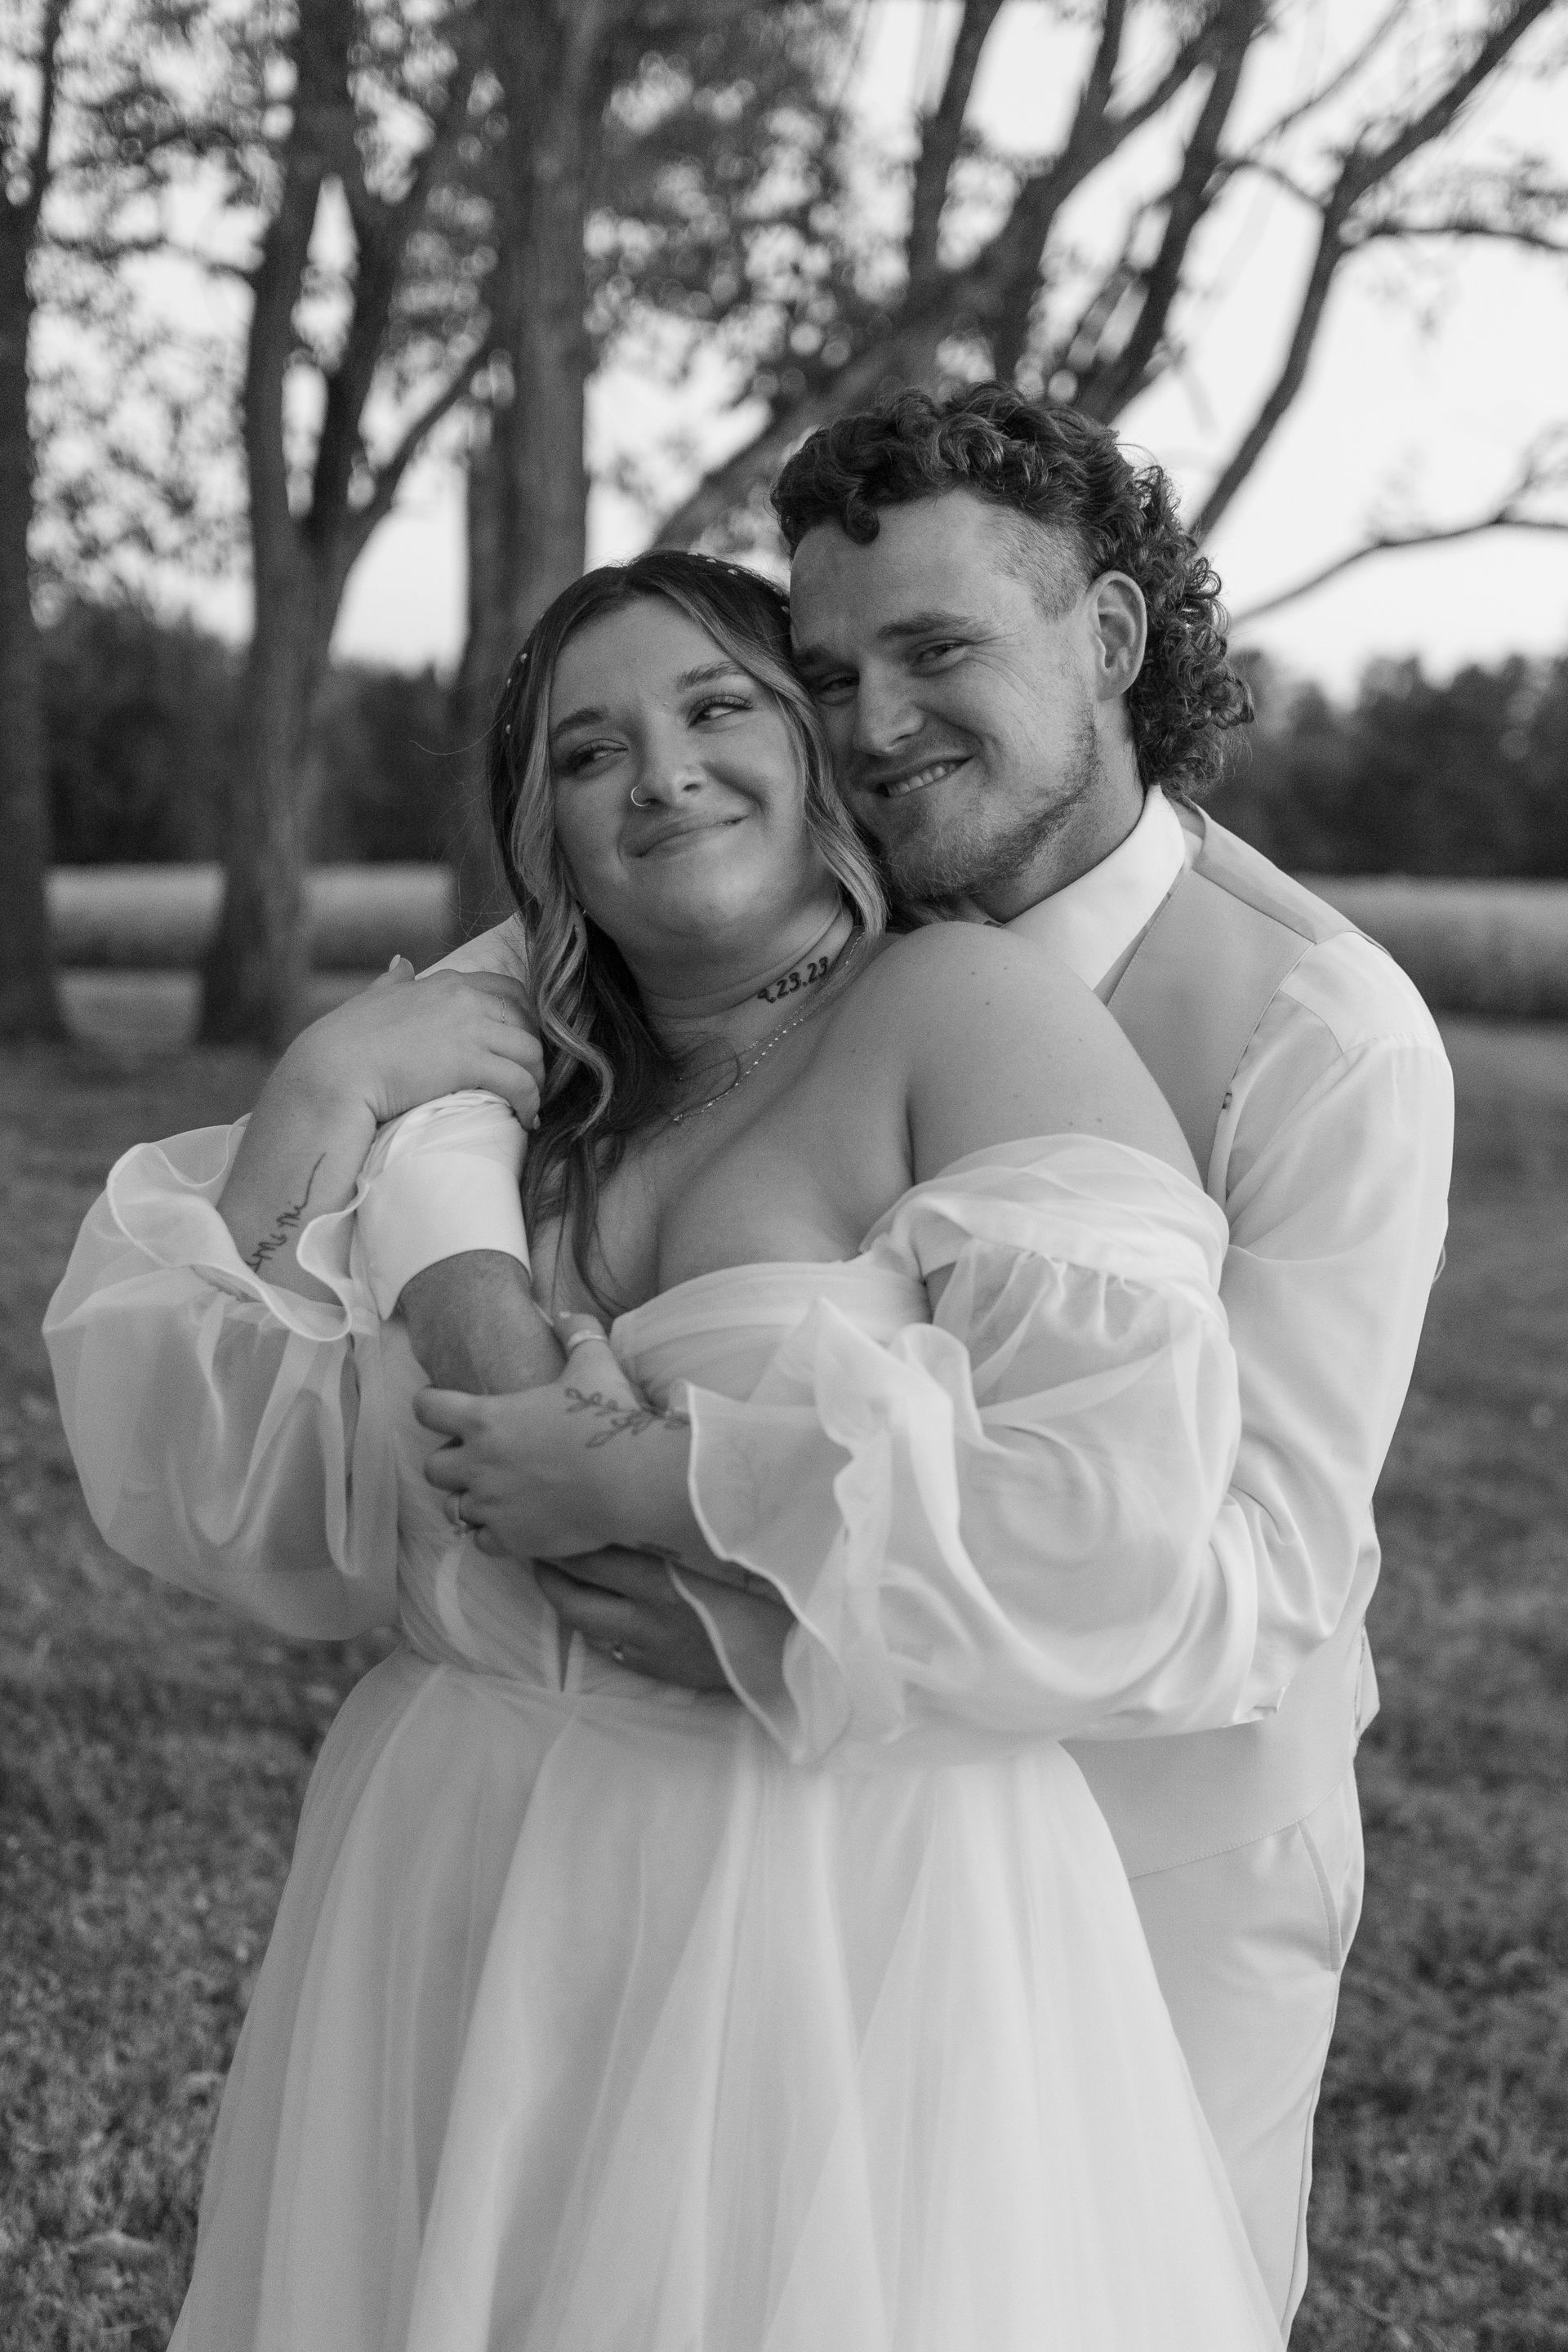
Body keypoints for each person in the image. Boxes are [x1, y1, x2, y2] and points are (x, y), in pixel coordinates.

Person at [45, 550, 1283, 2350]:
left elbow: (1114, 1509)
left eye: (719, 709)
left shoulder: (962, 1013)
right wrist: (327, 1085)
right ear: (541, 824)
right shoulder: (507, 1086)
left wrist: (663, 1477)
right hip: (466, 1848)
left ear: (816, 751)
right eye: (587, 749)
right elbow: (231, 1460)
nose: (662, 773)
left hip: (826, 1887)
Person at [386, 389, 1455, 2332]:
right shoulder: (803, 917)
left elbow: (1260, 1577)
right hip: (781, 1857)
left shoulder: (1321, 1028)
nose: (870, 729)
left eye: (940, 651)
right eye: (828, 670)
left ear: (1111, 641)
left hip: (1160, 1849)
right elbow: (488, 1013)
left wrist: (755, 1599)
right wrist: (365, 1086)